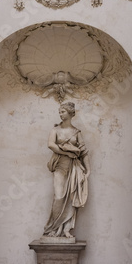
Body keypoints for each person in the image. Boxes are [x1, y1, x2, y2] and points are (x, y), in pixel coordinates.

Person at [43, 102, 90, 238]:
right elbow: (51, 145)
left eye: (63, 111)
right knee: (59, 196)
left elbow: (84, 151)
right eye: (60, 111)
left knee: (70, 197)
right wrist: (67, 153)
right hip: (60, 166)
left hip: (74, 167)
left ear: (70, 113)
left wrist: (88, 170)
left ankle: (66, 229)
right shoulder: (56, 130)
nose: (60, 114)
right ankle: (52, 228)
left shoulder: (76, 132)